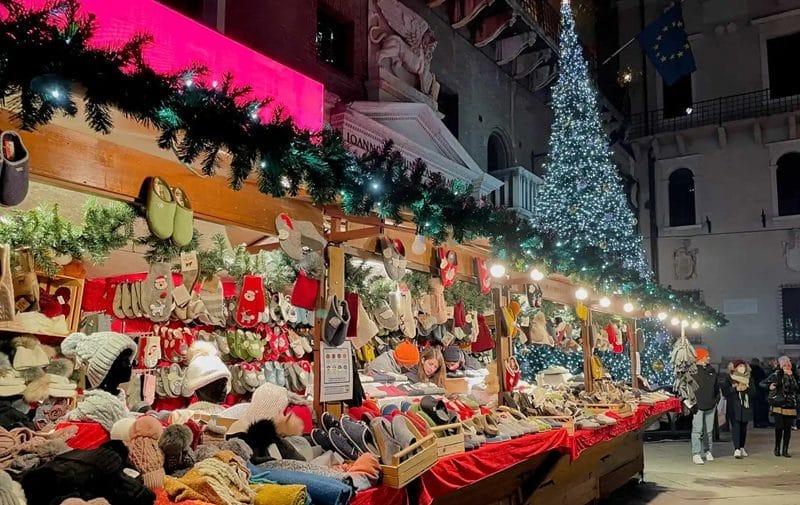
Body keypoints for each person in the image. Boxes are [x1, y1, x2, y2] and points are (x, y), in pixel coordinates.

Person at [761, 355, 799, 457]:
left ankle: (785, 449)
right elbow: (762, 383)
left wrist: (792, 378)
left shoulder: (795, 375)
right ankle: (777, 447)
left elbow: (797, 388)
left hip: (790, 404)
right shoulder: (777, 374)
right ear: (781, 366)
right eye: (785, 365)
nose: (787, 366)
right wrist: (770, 386)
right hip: (778, 403)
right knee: (779, 427)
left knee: (787, 428)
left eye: (788, 364)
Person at [691, 347, 719, 465]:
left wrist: (716, 399)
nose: (709, 358)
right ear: (701, 357)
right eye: (707, 356)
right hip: (698, 405)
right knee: (697, 430)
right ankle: (696, 453)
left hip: (710, 404)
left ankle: (708, 451)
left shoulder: (712, 371)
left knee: (709, 431)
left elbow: (716, 387)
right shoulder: (693, 372)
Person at [722, 360, 755, 458]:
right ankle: (736, 448)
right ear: (734, 368)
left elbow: (754, 392)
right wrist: (735, 389)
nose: (742, 368)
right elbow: (725, 391)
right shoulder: (729, 378)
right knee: (736, 427)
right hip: (734, 407)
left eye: (743, 366)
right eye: (739, 366)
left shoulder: (749, 378)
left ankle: (741, 447)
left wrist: (747, 389)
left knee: (743, 428)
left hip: (745, 406)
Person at [750, 358, 770, 428]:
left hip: (752, 393)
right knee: (761, 408)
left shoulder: (749, 371)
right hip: (760, 392)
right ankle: (761, 422)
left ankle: (755, 422)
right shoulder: (760, 371)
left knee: (754, 408)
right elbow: (764, 381)